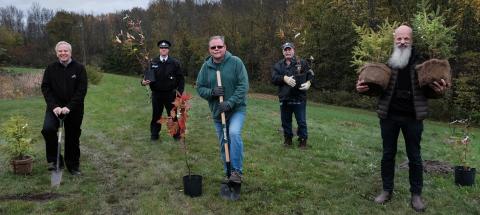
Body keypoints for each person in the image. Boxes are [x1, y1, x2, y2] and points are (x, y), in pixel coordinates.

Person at [356, 25, 449, 212]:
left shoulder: (424, 64)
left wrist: (440, 92)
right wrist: (362, 90)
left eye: (406, 39)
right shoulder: (388, 63)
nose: (402, 42)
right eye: (399, 39)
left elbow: (432, 91)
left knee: (415, 157)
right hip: (389, 116)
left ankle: (416, 195)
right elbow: (376, 88)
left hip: (413, 118)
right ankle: (387, 190)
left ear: (411, 40)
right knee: (387, 154)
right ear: (394, 40)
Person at [196, 36, 249, 184]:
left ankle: (236, 172)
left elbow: (243, 86)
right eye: (213, 47)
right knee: (223, 142)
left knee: (233, 133)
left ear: (225, 47)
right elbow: (199, 88)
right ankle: (228, 172)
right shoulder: (206, 67)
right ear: (209, 50)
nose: (217, 49)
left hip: (236, 109)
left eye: (219, 46)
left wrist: (230, 103)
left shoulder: (236, 62)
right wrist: (212, 92)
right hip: (218, 112)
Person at [41, 41, 88, 176]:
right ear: (57, 53)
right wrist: (54, 106)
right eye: (60, 51)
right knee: (48, 130)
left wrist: (69, 107)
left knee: (72, 136)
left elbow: (81, 90)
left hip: (74, 109)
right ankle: (55, 162)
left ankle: (73, 166)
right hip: (54, 108)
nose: (63, 53)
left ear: (70, 52)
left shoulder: (79, 68)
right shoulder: (50, 68)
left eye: (65, 51)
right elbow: (45, 88)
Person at [271, 42, 314, 148]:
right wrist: (284, 78)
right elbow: (274, 78)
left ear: (293, 50)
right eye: (285, 50)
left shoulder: (301, 63)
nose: (288, 51)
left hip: (299, 98)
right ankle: (288, 139)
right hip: (285, 98)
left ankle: (303, 141)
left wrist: (309, 83)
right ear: (283, 52)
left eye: (289, 49)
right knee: (285, 121)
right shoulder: (278, 65)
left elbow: (311, 74)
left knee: (301, 121)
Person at [141, 39, 184, 141]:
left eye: (165, 48)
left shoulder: (174, 63)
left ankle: (176, 135)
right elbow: (146, 77)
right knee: (156, 115)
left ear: (168, 50)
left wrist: (180, 93)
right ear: (159, 49)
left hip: (171, 94)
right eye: (161, 48)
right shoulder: (153, 62)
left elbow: (181, 79)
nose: (163, 49)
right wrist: (142, 82)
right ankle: (154, 135)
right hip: (157, 94)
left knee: (173, 116)